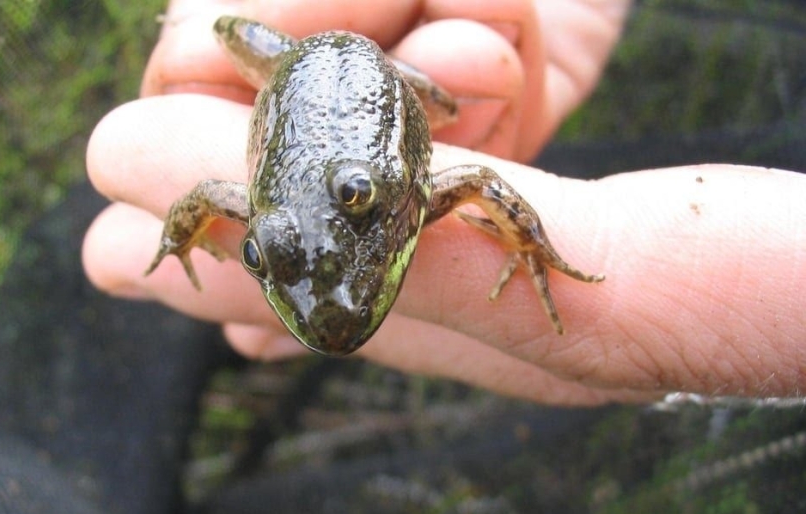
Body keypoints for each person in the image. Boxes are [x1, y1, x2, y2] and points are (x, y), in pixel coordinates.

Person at [83, 0, 805, 405]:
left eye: (362, 207)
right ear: (259, 228)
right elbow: (207, 193)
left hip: (371, 74)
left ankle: (418, 86)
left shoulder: (413, 200)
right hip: (292, 67)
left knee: (450, 101)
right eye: (259, 251)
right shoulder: (258, 210)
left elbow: (482, 181)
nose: (328, 299)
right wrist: (180, 234)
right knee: (216, 32)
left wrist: (530, 242)